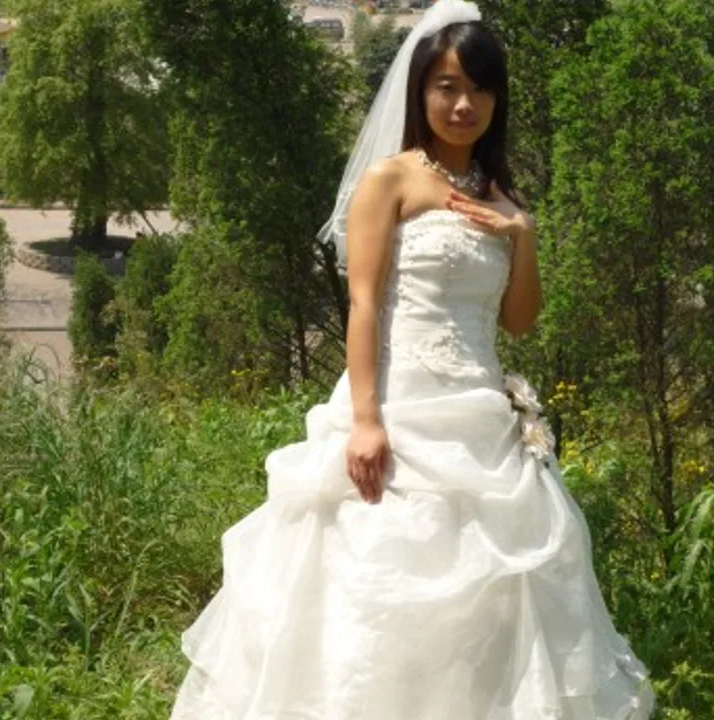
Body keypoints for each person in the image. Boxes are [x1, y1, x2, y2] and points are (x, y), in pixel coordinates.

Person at [169, 1, 656, 718]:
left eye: (480, 89)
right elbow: (364, 305)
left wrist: (522, 232)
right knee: (377, 581)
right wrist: (366, 422)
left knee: (495, 595)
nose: (464, 105)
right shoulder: (390, 180)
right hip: (399, 411)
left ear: (497, 100)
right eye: (447, 87)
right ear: (420, 91)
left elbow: (519, 320)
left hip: (482, 420)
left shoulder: (501, 199)